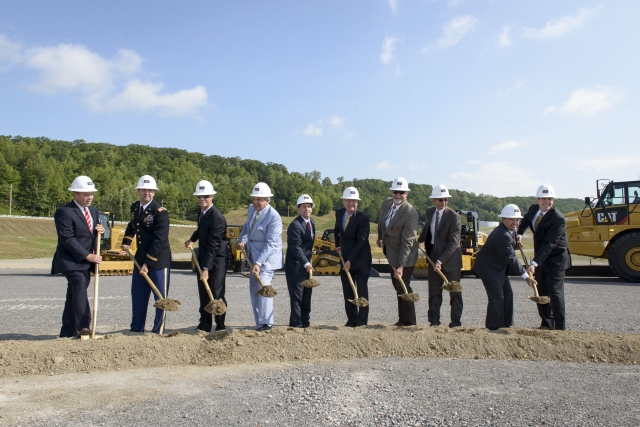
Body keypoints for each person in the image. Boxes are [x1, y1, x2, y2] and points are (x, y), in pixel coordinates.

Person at [52, 176, 105, 338]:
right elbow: (67, 238)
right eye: (85, 194)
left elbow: (93, 235)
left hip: (85, 262)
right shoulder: (64, 212)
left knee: (74, 293)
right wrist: (88, 256)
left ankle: (67, 330)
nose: (89, 197)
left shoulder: (94, 211)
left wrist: (100, 233)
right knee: (80, 285)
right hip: (70, 260)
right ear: (75, 194)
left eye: (91, 194)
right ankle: (83, 326)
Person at [121, 175, 172, 334]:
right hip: (140, 258)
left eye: (150, 190)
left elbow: (160, 240)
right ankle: (136, 329)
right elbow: (132, 225)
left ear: (154, 193)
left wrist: (148, 263)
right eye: (144, 190)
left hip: (158, 261)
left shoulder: (160, 212)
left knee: (160, 300)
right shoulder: (135, 207)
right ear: (138, 191)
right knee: (138, 297)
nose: (147, 193)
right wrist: (126, 242)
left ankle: (158, 331)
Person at [474, 204, 537, 330]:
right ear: (503, 219)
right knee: (497, 296)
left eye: (517, 219)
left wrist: (516, 242)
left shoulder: (510, 231)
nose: (515, 222)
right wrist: (526, 277)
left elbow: (509, 248)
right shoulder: (502, 235)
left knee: (508, 294)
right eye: (511, 219)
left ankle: (506, 324)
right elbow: (512, 259)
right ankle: (494, 327)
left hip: (498, 268)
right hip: (488, 268)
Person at [517, 184, 571, 330]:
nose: (547, 202)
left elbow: (549, 243)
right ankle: (547, 323)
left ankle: (560, 327)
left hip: (556, 258)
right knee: (541, 290)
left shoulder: (558, 219)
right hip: (541, 257)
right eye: (544, 199)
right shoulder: (533, 209)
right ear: (537, 199)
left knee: (555, 291)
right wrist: (520, 233)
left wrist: (534, 263)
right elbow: (526, 220)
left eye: (550, 199)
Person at [237, 182, 283, 331]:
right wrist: (242, 240)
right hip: (253, 256)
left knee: (264, 287)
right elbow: (246, 226)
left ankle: (267, 323)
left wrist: (259, 262)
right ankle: (259, 322)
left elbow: (271, 244)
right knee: (254, 289)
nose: (256, 202)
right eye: (254, 199)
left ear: (267, 200)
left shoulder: (274, 217)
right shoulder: (251, 209)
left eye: (260, 199)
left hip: (267, 258)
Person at [184, 180, 228, 332]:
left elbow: (213, 245)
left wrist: (206, 268)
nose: (202, 199)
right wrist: (192, 239)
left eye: (206, 196)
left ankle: (220, 325)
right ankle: (205, 324)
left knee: (216, 292)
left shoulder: (217, 217)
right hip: (204, 256)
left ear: (212, 196)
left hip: (216, 260)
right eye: (199, 196)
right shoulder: (201, 212)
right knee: (203, 292)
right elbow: (200, 229)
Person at [417, 184, 463, 327]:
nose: (443, 202)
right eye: (440, 200)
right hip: (433, 258)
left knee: (454, 293)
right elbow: (428, 228)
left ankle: (455, 323)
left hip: (450, 260)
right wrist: (419, 240)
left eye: (445, 200)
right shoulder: (430, 212)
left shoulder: (454, 217)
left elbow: (453, 242)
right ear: (434, 200)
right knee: (434, 292)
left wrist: (441, 260)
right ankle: (434, 322)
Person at [376, 177, 419, 326]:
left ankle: (409, 321)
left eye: (401, 192)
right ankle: (403, 319)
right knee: (397, 285)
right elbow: (381, 221)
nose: (398, 195)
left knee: (403, 285)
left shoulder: (410, 213)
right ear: (391, 192)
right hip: (391, 252)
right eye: (395, 191)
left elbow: (407, 242)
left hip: (405, 256)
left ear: (407, 193)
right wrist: (380, 237)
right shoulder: (387, 203)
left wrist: (401, 266)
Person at [335, 186, 372, 327]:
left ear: (358, 203)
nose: (351, 204)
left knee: (361, 292)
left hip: (360, 260)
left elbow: (361, 241)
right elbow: (338, 230)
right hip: (344, 258)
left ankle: (362, 322)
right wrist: (338, 245)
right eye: (349, 201)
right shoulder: (339, 213)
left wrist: (350, 259)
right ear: (344, 201)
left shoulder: (363, 218)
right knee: (348, 291)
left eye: (354, 201)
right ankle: (352, 320)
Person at [285, 194, 316, 328]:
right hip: (296, 267)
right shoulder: (295, 225)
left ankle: (305, 322)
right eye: (304, 207)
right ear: (298, 208)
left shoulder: (311, 222)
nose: (307, 209)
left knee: (307, 296)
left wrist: (308, 263)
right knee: (297, 297)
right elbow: (295, 247)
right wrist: (306, 263)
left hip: (306, 266)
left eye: (309, 206)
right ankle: (296, 324)